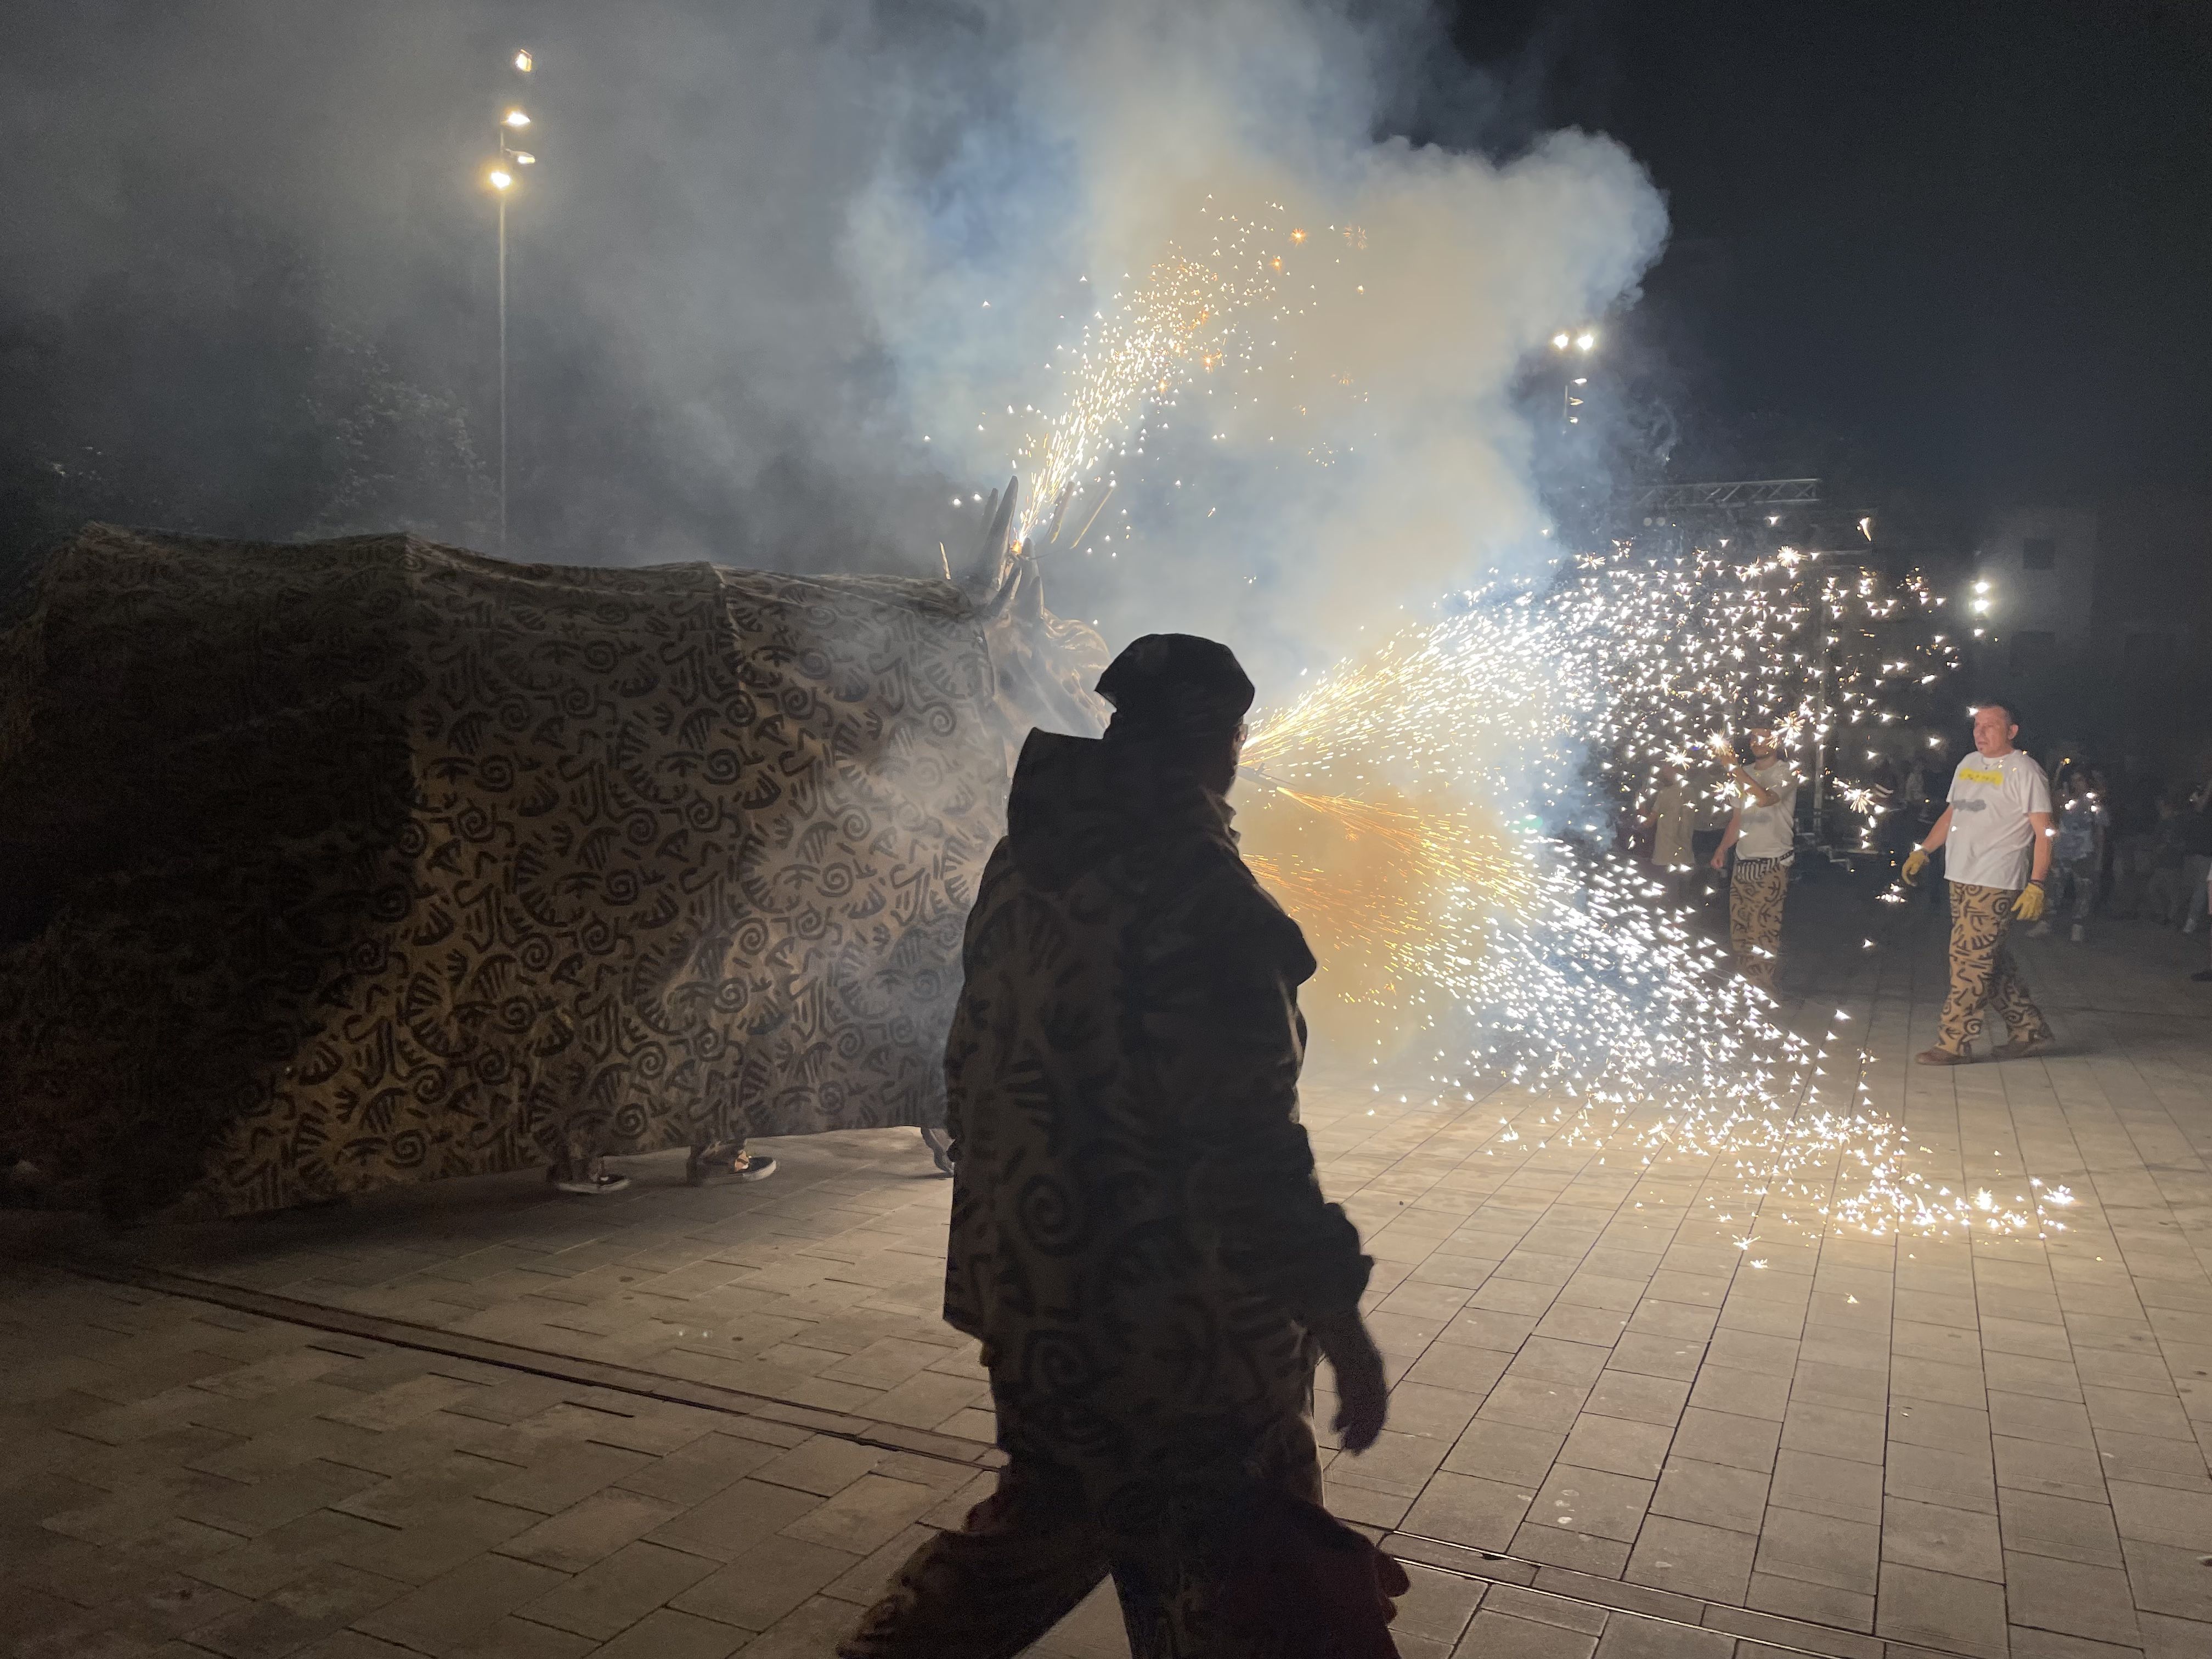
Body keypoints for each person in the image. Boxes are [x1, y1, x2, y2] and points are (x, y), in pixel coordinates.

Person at [842, 634, 1395, 1659]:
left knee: (1050, 1521)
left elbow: (971, 1060)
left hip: (1040, 1301)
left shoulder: (1024, 862)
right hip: (1181, 1333)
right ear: (1226, 743)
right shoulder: (1210, 904)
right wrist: (1340, 1319)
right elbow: (1249, 1146)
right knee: (1247, 1575)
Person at [1903, 702, 2056, 1063]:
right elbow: (1952, 813)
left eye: (1990, 725)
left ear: (2012, 731)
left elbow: (2044, 831)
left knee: (1969, 962)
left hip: (1996, 879)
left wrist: (2037, 883)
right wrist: (1923, 851)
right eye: (1977, 725)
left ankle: (1954, 1043)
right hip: (1960, 875)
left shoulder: (2026, 771)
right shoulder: (1968, 765)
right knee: (1990, 958)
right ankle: (2029, 1030)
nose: (1980, 732)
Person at [1709, 729, 1799, 995]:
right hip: (1744, 862)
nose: (1758, 743)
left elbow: (1765, 799)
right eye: (1753, 739)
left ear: (1778, 742)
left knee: (1764, 928)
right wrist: (1723, 848)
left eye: (1764, 738)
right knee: (1741, 929)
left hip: (1773, 862)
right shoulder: (1745, 771)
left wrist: (1734, 769)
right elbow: (1739, 818)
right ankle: (1746, 984)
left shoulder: (1787, 772)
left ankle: (1764, 985)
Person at [2035, 763, 2107, 943]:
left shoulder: (2094, 804)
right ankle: (2045, 923)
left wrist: (2099, 857)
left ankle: (2078, 926)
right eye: (2074, 780)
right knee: (2054, 888)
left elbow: (2100, 831)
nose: (2077, 784)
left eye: (2080, 780)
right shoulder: (2064, 799)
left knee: (2084, 891)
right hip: (2062, 852)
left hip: (2084, 853)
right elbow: (2052, 814)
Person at [1648, 763, 1699, 902]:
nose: (1663, 771)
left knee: (1668, 899)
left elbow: (1648, 822)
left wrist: (1639, 808)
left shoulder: (1666, 793)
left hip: (1666, 854)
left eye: (1666, 768)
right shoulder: (1691, 791)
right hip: (1685, 854)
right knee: (1682, 898)